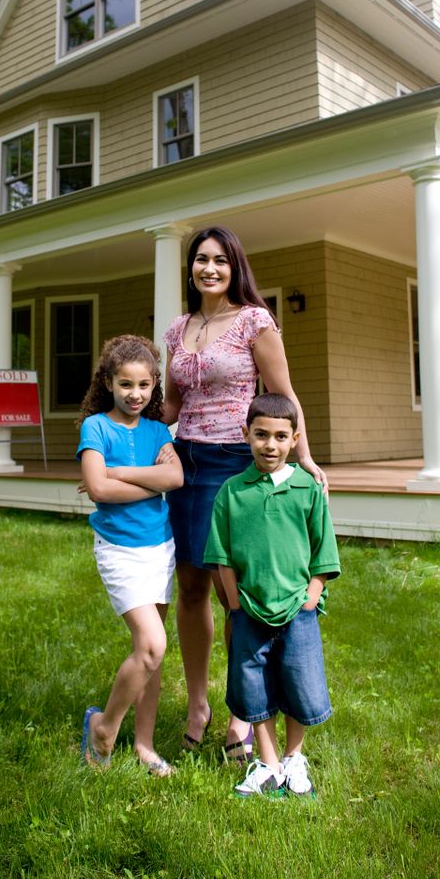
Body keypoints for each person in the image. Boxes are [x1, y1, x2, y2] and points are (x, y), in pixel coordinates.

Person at [163, 225, 328, 762]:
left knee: (233, 591)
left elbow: (283, 395)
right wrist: (115, 426)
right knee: (190, 585)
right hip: (185, 463)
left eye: (220, 260)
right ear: (190, 268)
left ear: (234, 267)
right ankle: (198, 706)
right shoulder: (177, 329)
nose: (209, 269)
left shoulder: (255, 321)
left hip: (236, 464)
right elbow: (170, 408)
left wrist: (303, 457)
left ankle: (244, 711)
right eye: (200, 259)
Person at [204, 392, 340, 798]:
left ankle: (294, 758)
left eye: (281, 437)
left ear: (295, 439)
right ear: (245, 434)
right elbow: (221, 555)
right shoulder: (232, 492)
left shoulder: (307, 489)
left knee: (300, 681)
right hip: (249, 608)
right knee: (254, 686)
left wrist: (311, 597)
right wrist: (235, 605)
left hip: (298, 608)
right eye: (261, 434)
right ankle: (268, 764)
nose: (270, 445)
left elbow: (324, 551)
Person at [77, 335, 183, 776]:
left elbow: (175, 479)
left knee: (150, 654)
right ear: (108, 383)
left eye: (144, 385)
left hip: (160, 547)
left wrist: (119, 472)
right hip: (119, 550)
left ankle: (145, 744)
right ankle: (104, 727)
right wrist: (149, 480)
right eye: (125, 384)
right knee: (153, 644)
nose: (135, 394)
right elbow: (98, 490)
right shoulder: (96, 428)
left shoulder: (158, 431)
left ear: (154, 384)